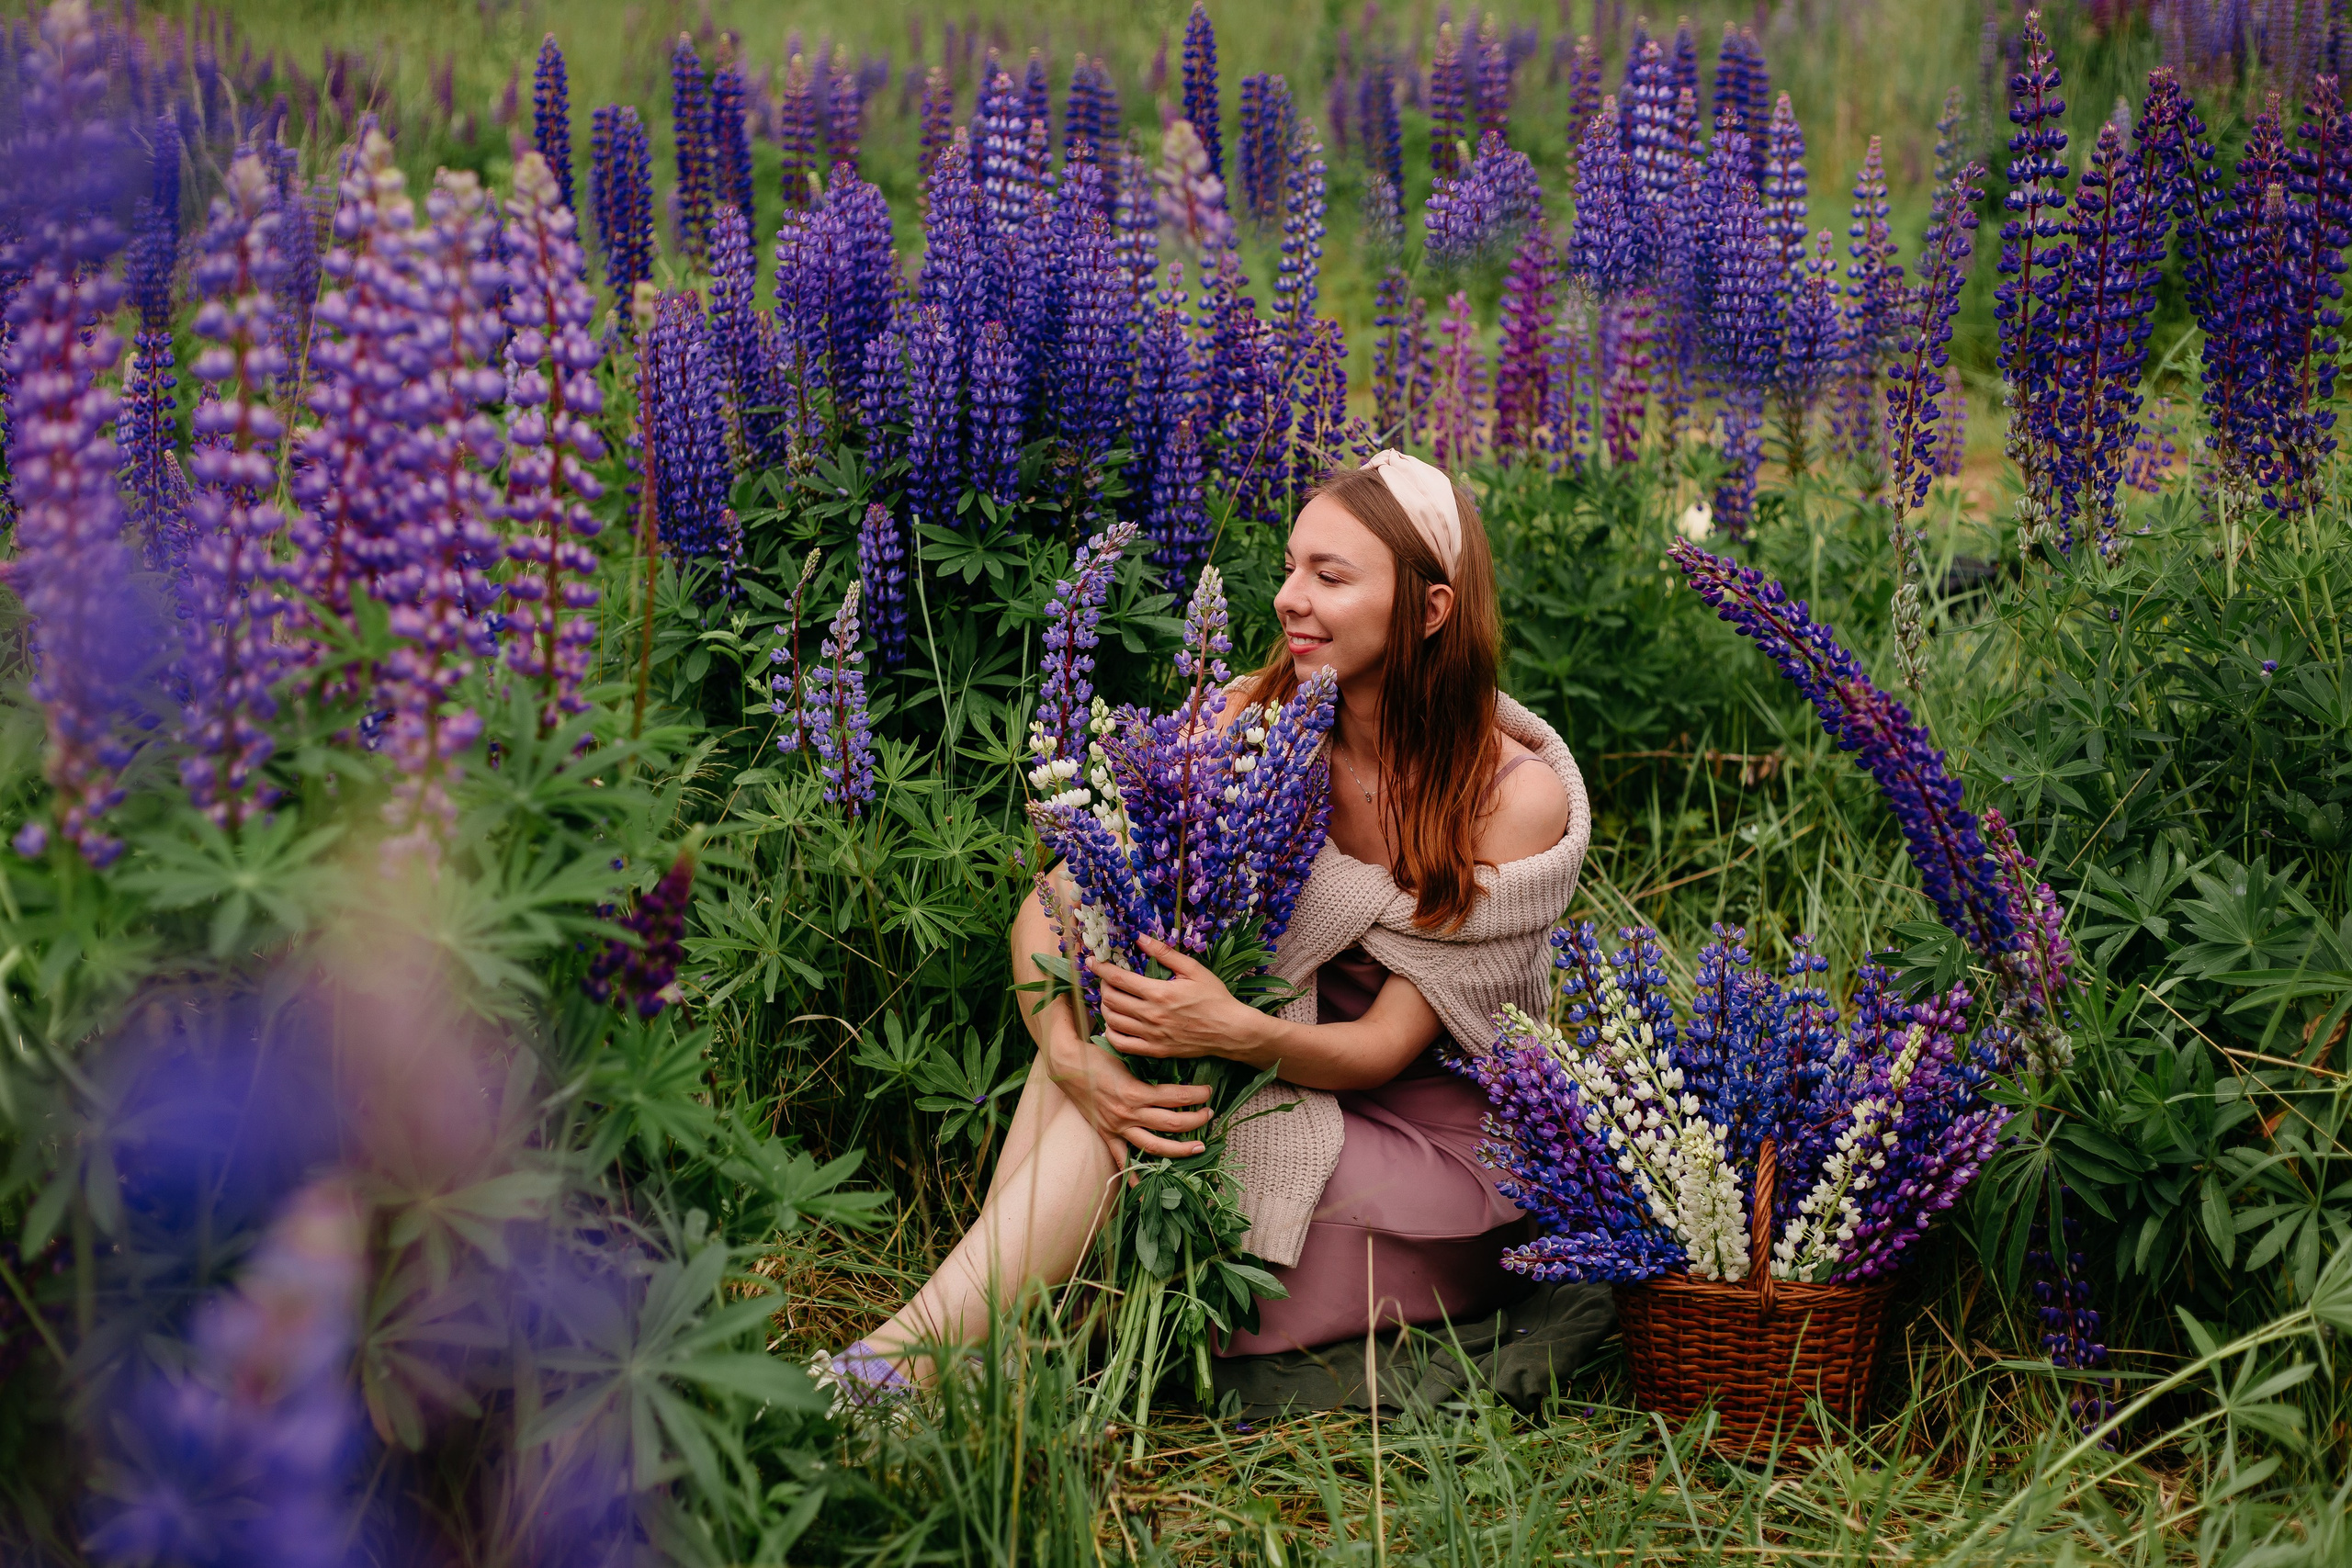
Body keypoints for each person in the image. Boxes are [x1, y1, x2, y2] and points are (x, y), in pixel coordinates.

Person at [820, 451, 1590, 1400]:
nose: (1288, 599)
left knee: (1140, 1097)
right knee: (1109, 1063)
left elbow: (1387, 1046)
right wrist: (1068, 1054)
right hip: (1261, 1073)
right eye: (1292, 566)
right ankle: (924, 1364)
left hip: (1428, 1152)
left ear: (1430, 610)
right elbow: (1050, 906)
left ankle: (900, 1368)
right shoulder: (1242, 721)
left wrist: (1227, 1030)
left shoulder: (1509, 795)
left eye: (1331, 577)